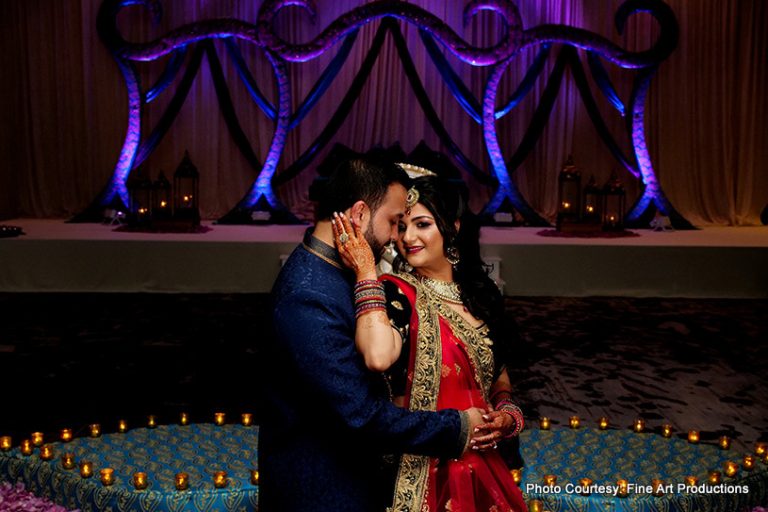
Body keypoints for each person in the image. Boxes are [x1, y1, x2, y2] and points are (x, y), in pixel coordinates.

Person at [260, 156, 488, 512]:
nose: (397, 237)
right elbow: (361, 415)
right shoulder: (308, 295)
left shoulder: (338, 270)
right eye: (394, 222)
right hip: (322, 493)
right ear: (360, 214)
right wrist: (456, 427)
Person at [332, 168, 528, 511]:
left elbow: (496, 373)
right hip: (418, 468)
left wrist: (508, 414)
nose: (408, 237)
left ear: (453, 226)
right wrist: (367, 272)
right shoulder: (396, 294)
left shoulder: (482, 296)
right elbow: (378, 357)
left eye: (422, 224)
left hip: (482, 465)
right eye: (402, 226)